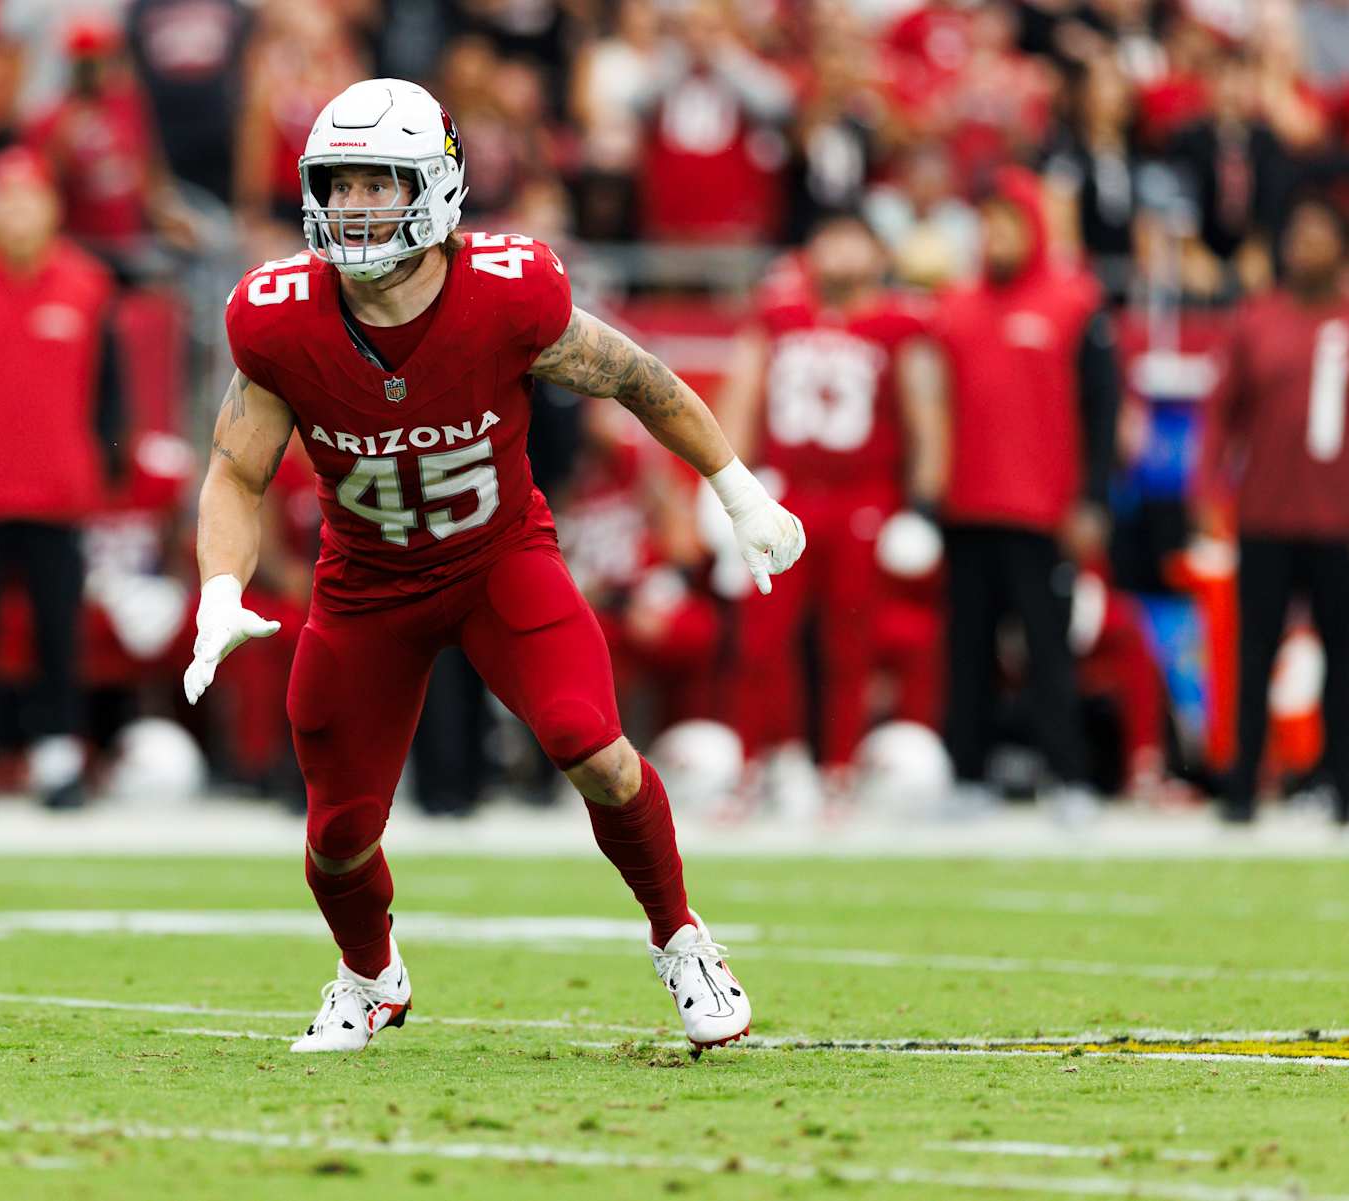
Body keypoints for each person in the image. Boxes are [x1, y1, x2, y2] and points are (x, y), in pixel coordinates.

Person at [184, 79, 804, 1055]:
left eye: (376, 185)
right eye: (336, 185)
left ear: (435, 189)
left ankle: (682, 937)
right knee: (338, 831)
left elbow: (644, 381)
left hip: (497, 556)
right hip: (367, 583)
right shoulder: (281, 319)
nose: (350, 208)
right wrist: (221, 586)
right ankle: (368, 974)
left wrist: (735, 488)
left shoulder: (509, 293)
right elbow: (234, 472)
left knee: (589, 742)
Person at [714, 213, 946, 797]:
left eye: (853, 239)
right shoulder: (777, 316)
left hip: (863, 497)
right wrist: (722, 482)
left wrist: (922, 505)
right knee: (761, 636)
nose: (839, 251)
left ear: (877, 253)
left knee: (850, 640)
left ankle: (838, 768)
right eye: (828, 238)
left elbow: (927, 419)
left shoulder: (899, 325)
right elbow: (741, 397)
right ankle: (764, 761)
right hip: (784, 492)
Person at [0, 148, 126, 811]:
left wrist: (105, 459)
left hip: (57, 489)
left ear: (52, 209)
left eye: (27, 198)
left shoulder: (88, 285)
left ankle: (57, 756)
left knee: (56, 630)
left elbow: (109, 391)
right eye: (3, 198)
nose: (15, 212)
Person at [931, 167, 1119, 817]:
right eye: (988, 225)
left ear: (1033, 227)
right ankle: (967, 776)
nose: (997, 236)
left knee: (1048, 650)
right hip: (968, 505)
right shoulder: (954, 306)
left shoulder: (1074, 302)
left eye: (1008, 223)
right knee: (968, 649)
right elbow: (931, 408)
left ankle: (1068, 778)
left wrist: (1093, 497)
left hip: (1043, 511)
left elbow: (1103, 408)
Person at [1201, 195, 1349, 825]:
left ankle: (1341, 783)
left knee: (1344, 657)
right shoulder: (1256, 320)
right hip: (1265, 515)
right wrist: (1209, 493)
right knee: (1253, 653)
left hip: (1341, 521)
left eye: (1318, 236)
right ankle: (1242, 785)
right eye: (1297, 235)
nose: (1305, 247)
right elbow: (1219, 418)